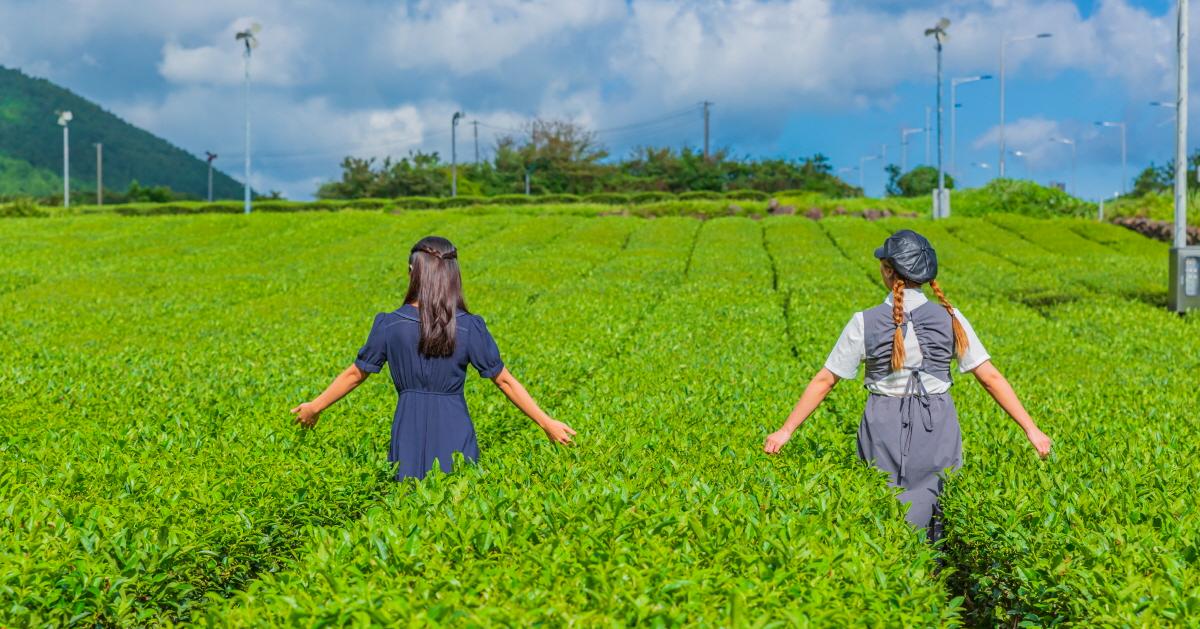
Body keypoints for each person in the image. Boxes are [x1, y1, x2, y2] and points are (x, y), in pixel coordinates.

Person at [763, 229, 1051, 538]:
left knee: (883, 500)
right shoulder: (952, 317)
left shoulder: (864, 321)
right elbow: (990, 377)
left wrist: (786, 430)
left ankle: (892, 569)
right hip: (937, 421)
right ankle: (933, 570)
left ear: (888, 272)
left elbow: (825, 380)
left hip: (882, 420)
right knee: (938, 502)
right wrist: (1031, 429)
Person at [291, 236, 576, 480]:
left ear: (412, 272)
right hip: (455, 425)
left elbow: (356, 374)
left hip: (407, 428)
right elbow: (504, 381)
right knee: (455, 503)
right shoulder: (469, 326)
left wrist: (314, 407)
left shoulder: (389, 324)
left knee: (407, 507)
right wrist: (546, 422)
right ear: (453, 274)